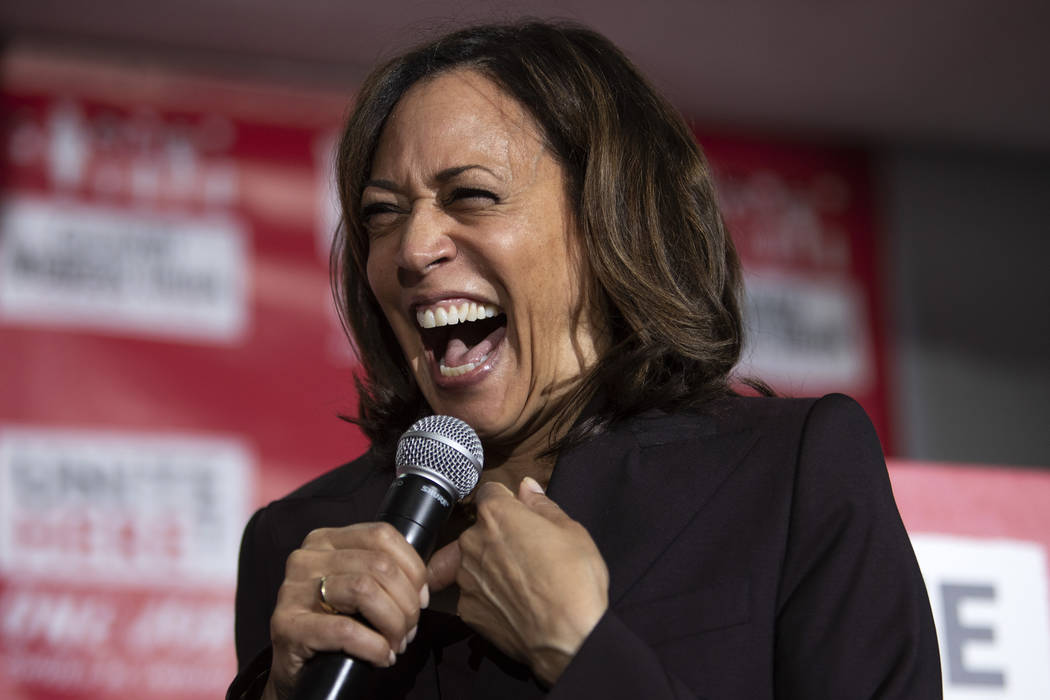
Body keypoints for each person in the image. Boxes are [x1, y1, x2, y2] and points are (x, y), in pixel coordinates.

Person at [228, 20, 941, 700]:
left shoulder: (787, 479)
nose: (413, 250)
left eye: (471, 196)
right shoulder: (295, 542)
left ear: (610, 221)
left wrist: (580, 649)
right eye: (383, 213)